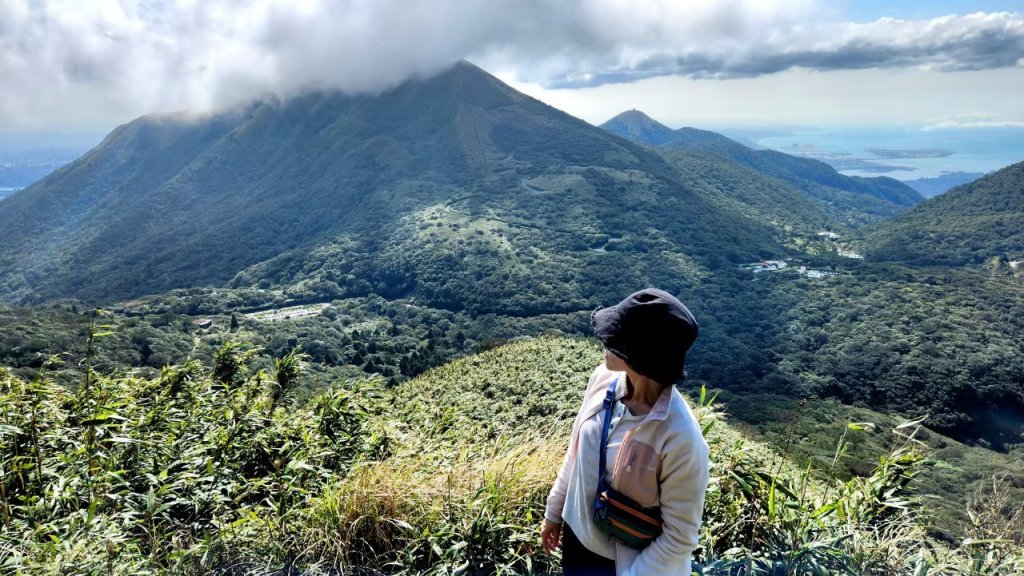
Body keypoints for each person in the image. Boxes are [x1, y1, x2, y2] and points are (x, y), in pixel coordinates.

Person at [540, 288, 710, 576]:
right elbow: (576, 451)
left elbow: (679, 538)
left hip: (627, 565)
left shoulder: (681, 439)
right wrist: (554, 512)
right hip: (578, 543)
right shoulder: (602, 379)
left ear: (641, 356)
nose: (605, 341)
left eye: (616, 339)